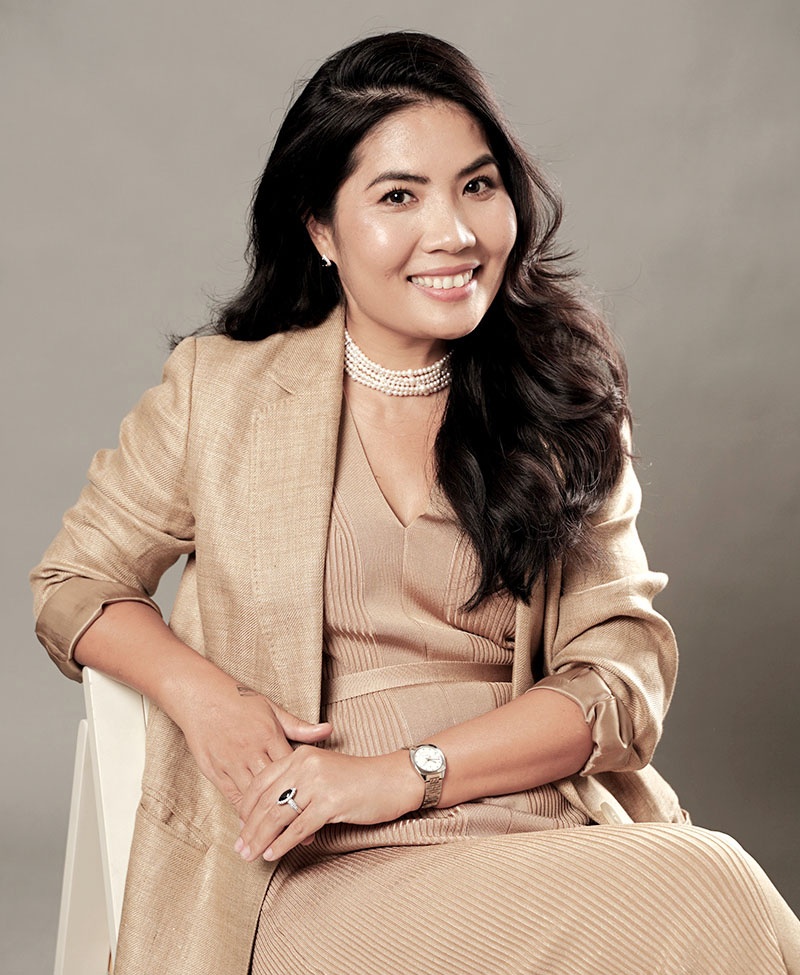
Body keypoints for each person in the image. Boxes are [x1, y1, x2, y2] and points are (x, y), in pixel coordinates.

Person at [31, 30, 800, 975]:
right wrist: (209, 700)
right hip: (306, 863)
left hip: (535, 825)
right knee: (712, 893)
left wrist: (404, 774)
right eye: (400, 196)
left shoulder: (561, 402)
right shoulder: (219, 394)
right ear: (321, 229)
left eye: (477, 185)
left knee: (702, 890)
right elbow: (73, 583)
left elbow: (620, 681)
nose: (455, 233)